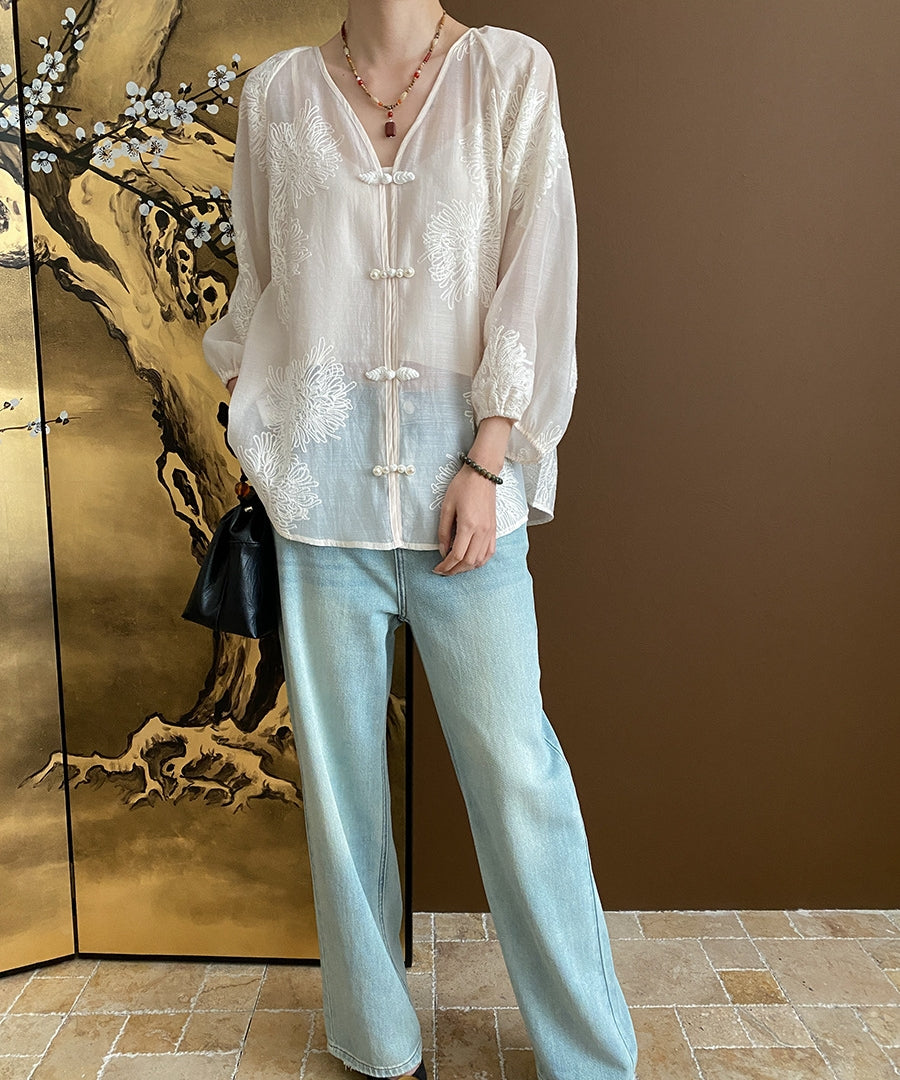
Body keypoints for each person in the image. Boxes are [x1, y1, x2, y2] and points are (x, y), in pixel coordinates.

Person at [202, 3, 639, 1078]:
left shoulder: (508, 75)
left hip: (465, 498)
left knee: (518, 775)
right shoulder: (276, 96)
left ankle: (591, 1057)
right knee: (342, 795)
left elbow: (538, 269)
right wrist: (254, 418)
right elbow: (261, 281)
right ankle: (375, 1043)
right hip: (318, 505)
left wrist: (490, 460)